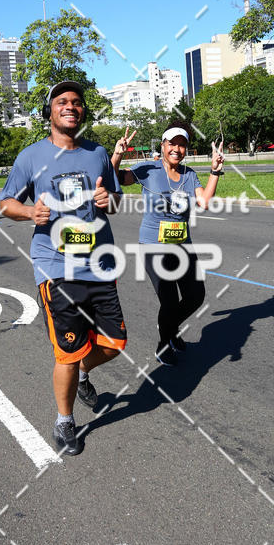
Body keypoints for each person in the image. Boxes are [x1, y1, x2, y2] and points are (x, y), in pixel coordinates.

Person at [0, 80, 127, 457]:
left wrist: (110, 199)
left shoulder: (98, 153)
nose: (70, 106)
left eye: (76, 102)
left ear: (82, 111)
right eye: (61, 102)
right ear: (50, 111)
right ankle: (65, 420)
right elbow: (7, 203)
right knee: (66, 353)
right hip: (54, 267)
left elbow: (116, 202)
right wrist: (29, 212)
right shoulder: (30, 156)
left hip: (100, 264)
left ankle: (84, 373)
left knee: (115, 343)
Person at [112, 124, 224, 366]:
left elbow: (204, 202)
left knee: (196, 296)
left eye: (181, 144)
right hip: (153, 245)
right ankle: (164, 344)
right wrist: (118, 155)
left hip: (182, 245)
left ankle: (169, 326)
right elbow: (116, 178)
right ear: (162, 146)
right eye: (171, 143)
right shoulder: (147, 169)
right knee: (170, 300)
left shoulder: (189, 174)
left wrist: (215, 172)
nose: (177, 149)